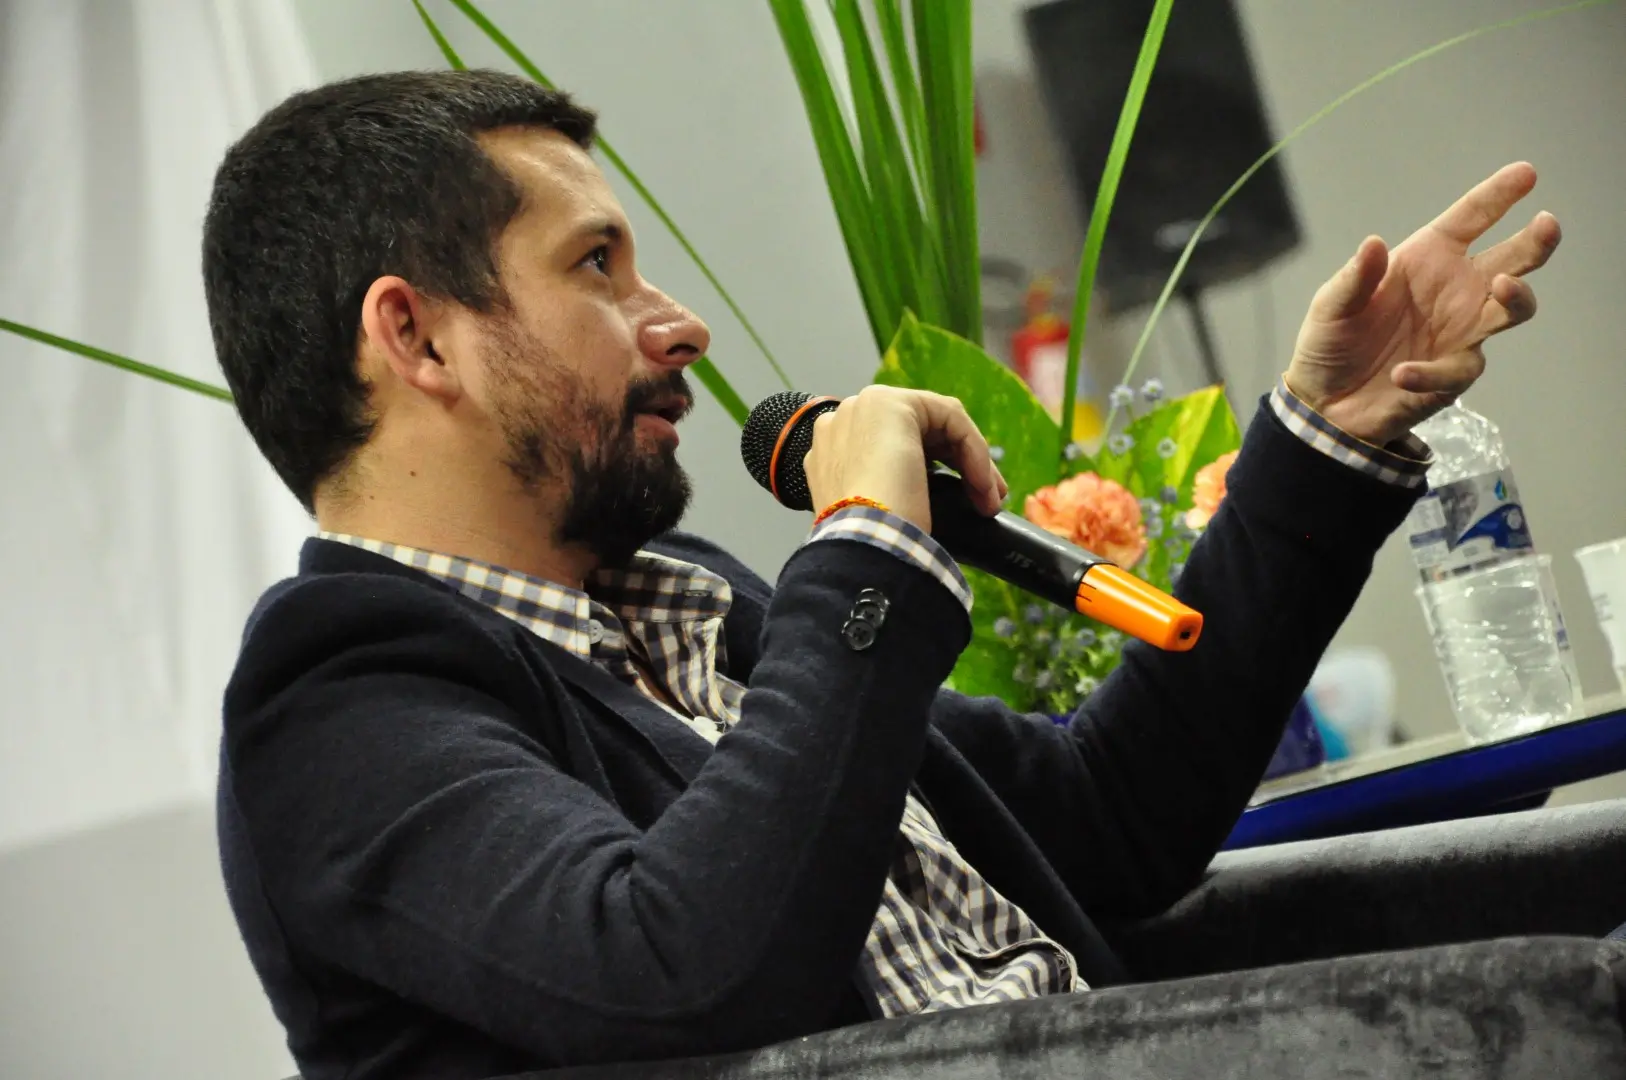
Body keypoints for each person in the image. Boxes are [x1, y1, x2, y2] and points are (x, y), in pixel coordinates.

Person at [206, 70, 1561, 1080]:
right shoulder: (339, 708)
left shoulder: (689, 609)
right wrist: (862, 545)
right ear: (416, 337)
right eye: (596, 267)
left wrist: (1321, 444)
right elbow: (683, 969)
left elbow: (1110, 818)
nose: (673, 325)